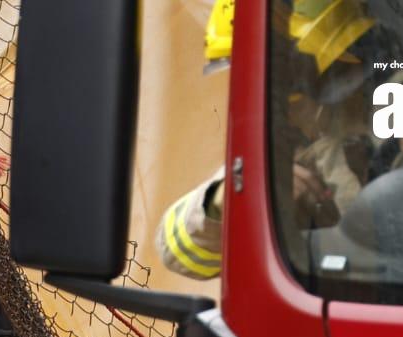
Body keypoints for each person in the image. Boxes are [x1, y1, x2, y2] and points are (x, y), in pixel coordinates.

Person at [157, 0, 381, 279]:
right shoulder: (281, 151)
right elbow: (175, 250)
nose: (270, 99)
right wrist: (224, 197)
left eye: (284, 80)